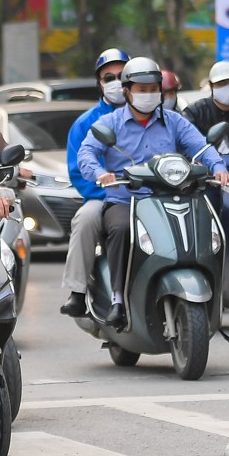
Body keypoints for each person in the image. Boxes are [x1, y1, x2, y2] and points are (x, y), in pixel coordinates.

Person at [76, 56, 229, 321]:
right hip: (126, 201)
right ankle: (118, 299)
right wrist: (100, 174)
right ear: (127, 91)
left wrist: (218, 167)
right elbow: (87, 152)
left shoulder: (174, 122)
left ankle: (214, 297)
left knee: (204, 225)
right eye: (141, 90)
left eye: (153, 89)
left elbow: (201, 146)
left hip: (171, 197)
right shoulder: (110, 123)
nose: (148, 95)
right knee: (122, 229)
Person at [59, 48, 131, 318]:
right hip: (104, 199)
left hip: (149, 196)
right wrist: (106, 190)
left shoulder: (151, 117)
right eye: (108, 77)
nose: (115, 82)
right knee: (85, 219)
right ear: (99, 84)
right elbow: (78, 172)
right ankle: (78, 292)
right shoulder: (85, 123)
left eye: (122, 76)